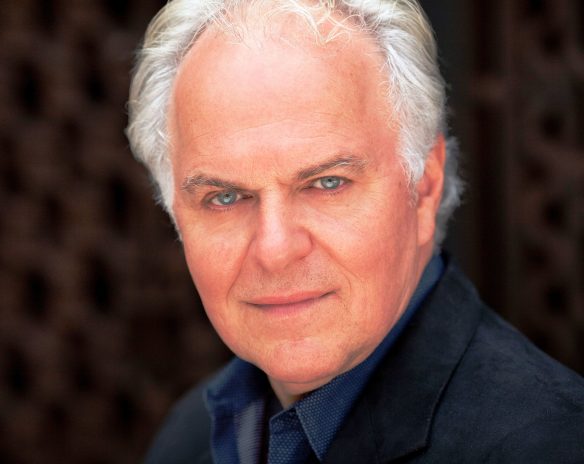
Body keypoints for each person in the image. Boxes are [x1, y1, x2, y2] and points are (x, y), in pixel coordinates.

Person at [126, 1, 584, 462]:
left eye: (327, 183)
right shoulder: (189, 436)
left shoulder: (552, 445)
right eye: (225, 197)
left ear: (424, 187)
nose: (275, 249)